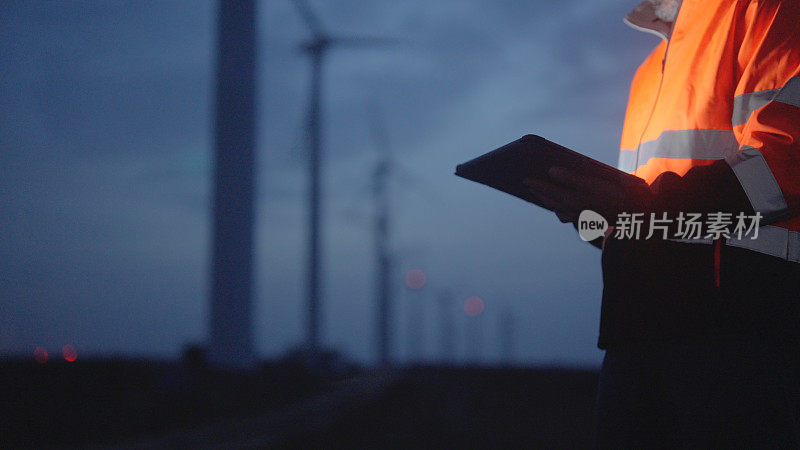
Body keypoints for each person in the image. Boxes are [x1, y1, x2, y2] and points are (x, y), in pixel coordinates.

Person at [525, 0, 800, 447]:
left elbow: (787, 161)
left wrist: (642, 209)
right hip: (636, 339)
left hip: (744, 337)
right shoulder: (647, 72)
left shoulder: (765, 9)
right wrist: (591, 217)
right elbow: (640, 221)